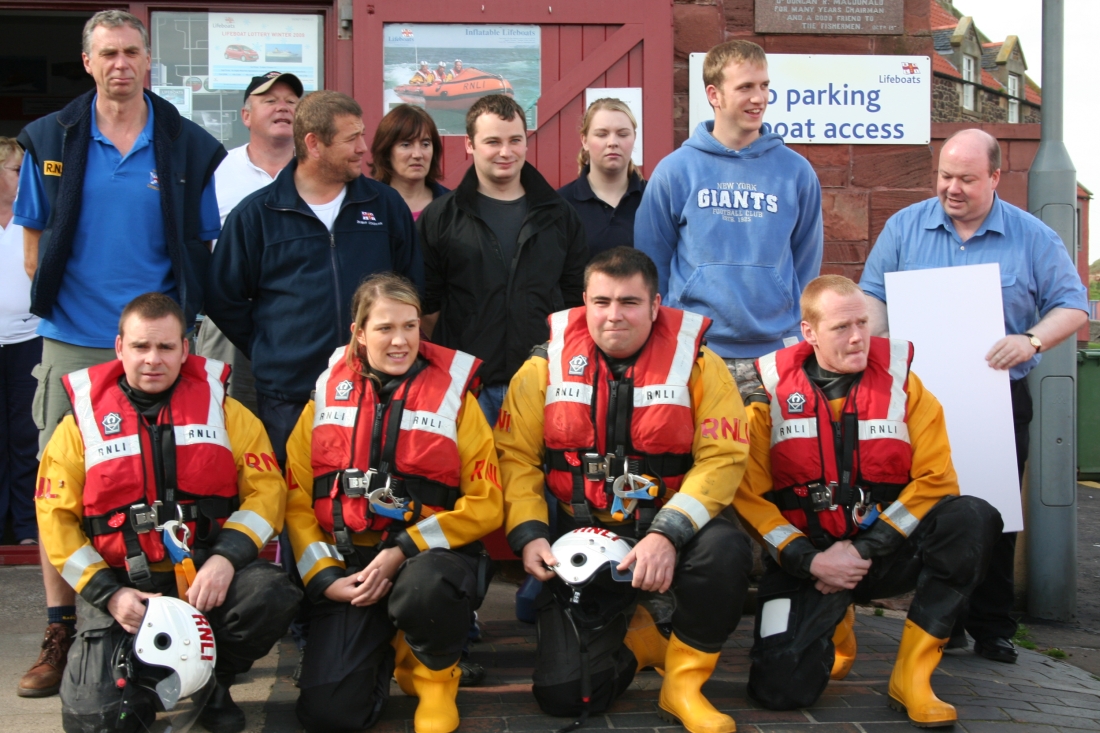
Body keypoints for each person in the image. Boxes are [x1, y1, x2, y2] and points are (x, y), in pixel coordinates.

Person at [13, 9, 225, 698]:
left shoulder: (188, 144)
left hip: (160, 345)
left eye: (132, 51)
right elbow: (34, 247)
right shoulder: (50, 137)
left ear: (148, 58)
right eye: (108, 53)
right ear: (87, 61)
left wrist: (173, 334)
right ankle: (61, 629)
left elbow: (198, 245)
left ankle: (183, 620)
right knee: (61, 488)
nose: (121, 64)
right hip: (75, 339)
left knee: (175, 479)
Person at [497, 247, 753, 732]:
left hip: (670, 529)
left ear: (655, 305)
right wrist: (530, 534)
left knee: (725, 551)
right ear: (585, 303)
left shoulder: (700, 365)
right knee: (564, 695)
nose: (614, 315)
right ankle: (641, 642)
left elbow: (723, 458)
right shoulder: (544, 366)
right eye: (602, 301)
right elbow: (515, 458)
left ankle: (683, 685)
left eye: (630, 302)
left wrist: (667, 533)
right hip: (581, 537)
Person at [859, 128, 1089, 664]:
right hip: (916, 399)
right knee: (924, 505)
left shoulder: (1032, 236)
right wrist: (873, 346)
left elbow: (1074, 306)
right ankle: (940, 622)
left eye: (966, 178)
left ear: (994, 177)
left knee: (993, 512)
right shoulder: (904, 227)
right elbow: (873, 296)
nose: (952, 188)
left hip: (996, 397)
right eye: (944, 176)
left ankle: (993, 626)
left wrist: (1031, 340)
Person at [734, 275, 1002, 727]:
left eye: (863, 322)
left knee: (972, 517)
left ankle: (912, 677)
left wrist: (864, 550)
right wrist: (809, 560)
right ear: (809, 332)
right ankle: (835, 623)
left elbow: (937, 480)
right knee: (779, 691)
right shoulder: (768, 398)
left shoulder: (905, 388)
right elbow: (749, 495)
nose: (858, 336)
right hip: (809, 563)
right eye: (842, 327)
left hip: (883, 553)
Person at [35, 292, 300, 733]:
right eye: (140, 346)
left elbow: (267, 492)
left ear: (185, 349)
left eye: (166, 346)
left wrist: (226, 558)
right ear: (120, 348)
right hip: (124, 589)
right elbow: (54, 519)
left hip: (205, 580)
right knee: (97, 722)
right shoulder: (79, 424)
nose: (153, 359)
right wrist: (109, 594)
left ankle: (210, 680)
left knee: (271, 592)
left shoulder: (226, 412)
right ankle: (146, 682)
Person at [285, 274, 502, 733]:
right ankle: (388, 654)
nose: (400, 341)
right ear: (359, 333)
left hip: (429, 561)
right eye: (385, 328)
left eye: (410, 326)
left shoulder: (456, 399)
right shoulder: (324, 398)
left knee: (425, 588)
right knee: (330, 716)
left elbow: (486, 503)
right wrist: (325, 579)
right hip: (352, 570)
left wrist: (403, 548)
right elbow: (298, 499)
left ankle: (435, 679)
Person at [205, 90, 422, 468]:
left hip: (375, 390)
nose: (363, 148)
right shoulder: (257, 215)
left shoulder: (385, 206)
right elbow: (223, 298)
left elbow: (412, 286)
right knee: (293, 497)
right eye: (351, 138)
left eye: (362, 135)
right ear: (314, 144)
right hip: (289, 397)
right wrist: (272, 346)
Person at [635, 39, 823, 400]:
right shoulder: (675, 171)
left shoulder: (796, 172)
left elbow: (806, 265)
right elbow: (651, 265)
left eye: (764, 85)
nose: (759, 98)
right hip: (695, 351)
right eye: (745, 87)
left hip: (776, 353)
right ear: (714, 95)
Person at [419, 94, 588, 427]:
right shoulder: (440, 218)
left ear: (526, 142)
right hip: (467, 388)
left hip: (542, 384)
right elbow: (427, 306)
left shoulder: (560, 216)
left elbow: (575, 301)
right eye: (492, 142)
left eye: (515, 140)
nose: (506, 152)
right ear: (469, 144)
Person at [197, 71, 304, 415]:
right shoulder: (216, 171)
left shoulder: (317, 172)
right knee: (224, 414)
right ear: (246, 116)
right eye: (270, 100)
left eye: (291, 101)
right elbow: (198, 245)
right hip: (228, 318)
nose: (282, 107)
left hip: (299, 317)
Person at [0, 138, 39, 547]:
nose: (24, 178)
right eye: (16, 170)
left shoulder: (35, 218)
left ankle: (27, 528)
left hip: (30, 340)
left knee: (28, 435)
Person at [558, 98, 646, 260]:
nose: (612, 142)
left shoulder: (654, 200)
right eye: (602, 134)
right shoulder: (561, 205)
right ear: (584, 140)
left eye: (622, 134)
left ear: (634, 138)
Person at [370, 103, 448, 219]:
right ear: (386, 151)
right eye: (406, 145)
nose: (418, 154)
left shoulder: (453, 206)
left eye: (425, 144)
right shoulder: (369, 205)